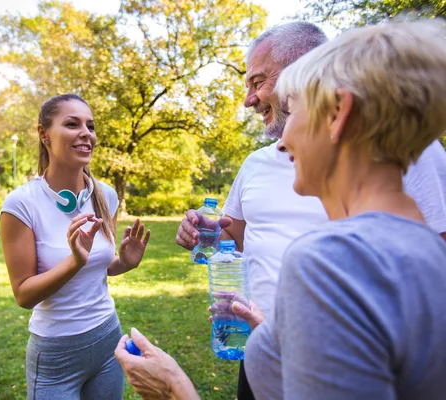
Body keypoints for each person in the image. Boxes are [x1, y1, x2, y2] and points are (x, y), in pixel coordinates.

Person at [115, 19, 446, 399]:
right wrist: (274, 337)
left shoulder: (324, 261)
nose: (284, 142)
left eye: (295, 106)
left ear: (338, 114)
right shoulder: (424, 251)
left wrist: (174, 389)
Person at [0, 94, 151, 400]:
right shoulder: (21, 204)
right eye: (72, 124)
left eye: (90, 126)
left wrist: (124, 262)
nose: (87, 133)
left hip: (108, 338)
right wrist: (73, 261)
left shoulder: (105, 195)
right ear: (43, 134)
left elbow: (101, 267)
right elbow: (23, 294)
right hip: (56, 355)